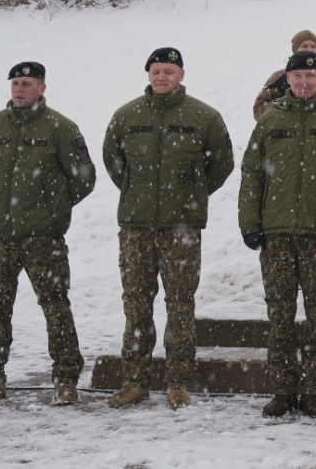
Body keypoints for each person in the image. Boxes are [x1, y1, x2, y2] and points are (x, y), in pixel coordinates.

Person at [102, 47, 235, 410]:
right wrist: (136, 192)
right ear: (148, 75)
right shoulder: (127, 115)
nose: (162, 77)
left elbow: (222, 162)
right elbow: (113, 160)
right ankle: (135, 381)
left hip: (182, 228)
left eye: (169, 72)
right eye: (156, 71)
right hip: (136, 227)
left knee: (179, 305)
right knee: (136, 306)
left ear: (181, 75)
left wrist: (190, 194)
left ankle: (177, 381)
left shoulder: (203, 117)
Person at [238, 51, 316, 418]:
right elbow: (252, 173)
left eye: (311, 76)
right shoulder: (270, 120)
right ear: (289, 79)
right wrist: (250, 223)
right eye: (298, 76)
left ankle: (313, 390)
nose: (304, 82)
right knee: (279, 315)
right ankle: (282, 389)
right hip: (277, 235)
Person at [0, 62, 95, 407]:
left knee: (55, 308)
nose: (19, 89)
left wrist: (51, 209)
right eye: (15, 83)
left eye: (27, 83)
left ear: (42, 88)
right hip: (0, 237)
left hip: (42, 239)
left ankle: (66, 378)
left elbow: (83, 176)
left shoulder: (60, 128)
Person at [254, 30, 316, 120]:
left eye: (313, 46)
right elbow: (258, 110)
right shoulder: (278, 77)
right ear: (295, 49)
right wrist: (286, 103)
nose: (309, 49)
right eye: (304, 46)